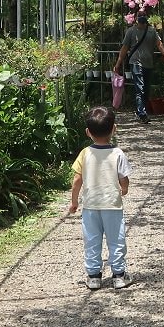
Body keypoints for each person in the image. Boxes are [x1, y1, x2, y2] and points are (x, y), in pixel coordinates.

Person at [67, 106, 133, 289]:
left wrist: (74, 202)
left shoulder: (85, 154)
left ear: (88, 132)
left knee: (92, 240)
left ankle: (94, 276)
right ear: (114, 129)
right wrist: (124, 188)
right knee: (116, 239)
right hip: (112, 205)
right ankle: (119, 275)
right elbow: (123, 178)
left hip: (90, 206)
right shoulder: (117, 153)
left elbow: (77, 180)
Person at [113, 11, 164, 124]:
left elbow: (159, 43)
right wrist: (118, 63)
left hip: (148, 63)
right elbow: (124, 48)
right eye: (141, 17)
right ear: (136, 19)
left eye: (143, 17)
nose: (142, 20)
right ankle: (142, 113)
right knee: (140, 87)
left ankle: (140, 111)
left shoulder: (151, 31)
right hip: (135, 62)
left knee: (146, 89)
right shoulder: (131, 31)